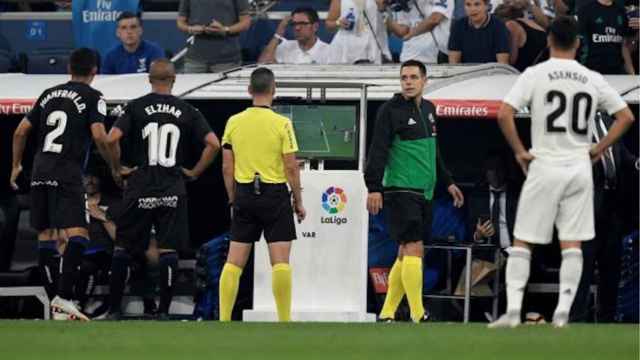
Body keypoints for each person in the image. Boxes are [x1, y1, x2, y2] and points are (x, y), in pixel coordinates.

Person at [490, 16, 635, 328]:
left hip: (544, 164)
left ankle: (514, 312)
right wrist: (598, 148)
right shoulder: (590, 77)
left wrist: (519, 151)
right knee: (573, 244)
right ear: (579, 43)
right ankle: (562, 315)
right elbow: (625, 117)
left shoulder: (536, 73)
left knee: (523, 241)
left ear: (548, 40)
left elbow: (504, 113)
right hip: (578, 169)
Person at [105, 59, 220, 319]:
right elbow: (213, 144)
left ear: (149, 79)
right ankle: (165, 313)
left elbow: (111, 139)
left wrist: (118, 167)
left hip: (140, 185)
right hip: (172, 186)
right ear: (174, 80)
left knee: (123, 247)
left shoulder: (135, 107)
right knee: (169, 250)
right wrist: (194, 172)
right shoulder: (188, 110)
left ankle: (113, 310)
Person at [10, 48, 112, 321]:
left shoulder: (48, 94)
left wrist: (16, 165)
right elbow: (100, 136)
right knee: (79, 234)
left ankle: (56, 304)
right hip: (67, 170)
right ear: (95, 71)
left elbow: (20, 130)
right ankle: (64, 298)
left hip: (40, 169)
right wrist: (114, 163)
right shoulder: (94, 97)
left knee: (46, 237)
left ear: (69, 68)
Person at [364, 60, 465, 323]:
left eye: (413, 77)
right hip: (400, 190)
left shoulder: (430, 110)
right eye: (404, 77)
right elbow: (378, 150)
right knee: (414, 248)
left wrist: (449, 181)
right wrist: (374, 187)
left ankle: (386, 312)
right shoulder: (390, 110)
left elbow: (434, 152)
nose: (408, 82)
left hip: (425, 191)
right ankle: (418, 313)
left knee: (404, 252)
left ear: (424, 81)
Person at [218, 67, 306, 322]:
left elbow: (226, 166)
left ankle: (223, 320)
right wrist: (297, 200)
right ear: (274, 90)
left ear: (249, 90)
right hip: (274, 194)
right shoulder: (282, 123)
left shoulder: (233, 122)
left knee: (234, 261)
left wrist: (233, 197)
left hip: (244, 193)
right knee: (280, 261)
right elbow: (291, 165)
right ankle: (284, 320)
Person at [571, 112, 639, 322]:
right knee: (583, 272)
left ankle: (607, 320)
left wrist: (637, 163)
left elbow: (623, 156)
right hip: (587, 213)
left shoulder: (610, 123)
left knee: (611, 270)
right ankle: (576, 320)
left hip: (613, 213)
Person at [176, 0, 251, 73]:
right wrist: (190, 29)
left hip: (227, 60)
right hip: (194, 59)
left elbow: (246, 22)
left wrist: (225, 30)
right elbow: (180, 22)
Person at [577, 0, 636, 74]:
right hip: (591, 70)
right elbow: (577, 42)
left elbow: (624, 45)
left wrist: (631, 72)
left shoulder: (621, 11)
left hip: (617, 71)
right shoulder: (586, 10)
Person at [387, 0, 454, 64]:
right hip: (411, 56)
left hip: (440, 54)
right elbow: (402, 32)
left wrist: (411, 34)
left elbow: (434, 19)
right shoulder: (403, 2)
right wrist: (384, 13)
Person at [325, 0, 391, 64]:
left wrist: (383, 9)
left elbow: (387, 26)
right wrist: (338, 23)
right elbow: (328, 23)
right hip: (344, 47)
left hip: (370, 46)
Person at [258, 7, 330, 64]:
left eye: (303, 23)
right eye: (294, 24)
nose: (297, 28)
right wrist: (278, 34)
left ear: (315, 27)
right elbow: (262, 64)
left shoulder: (327, 51)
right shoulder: (285, 46)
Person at [448, 0, 511, 64]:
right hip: (466, 72)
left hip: (491, 72)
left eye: (477, 4)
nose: (472, 9)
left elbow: (502, 63)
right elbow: (454, 63)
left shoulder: (499, 27)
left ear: (487, 6)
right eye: (468, 5)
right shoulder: (458, 26)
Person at [494, 3, 548, 72]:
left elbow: (509, 62)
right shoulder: (531, 23)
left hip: (527, 74)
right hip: (543, 70)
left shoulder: (511, 25)